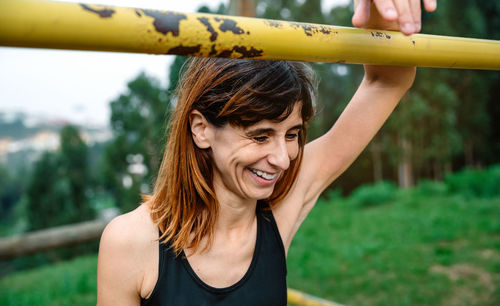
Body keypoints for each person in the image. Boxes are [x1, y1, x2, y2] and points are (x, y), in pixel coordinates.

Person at [97, 0, 437, 305]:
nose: (283, 158)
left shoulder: (281, 208)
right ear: (201, 129)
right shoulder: (130, 242)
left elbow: (387, 82)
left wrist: (386, 13)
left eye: (292, 134)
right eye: (260, 136)